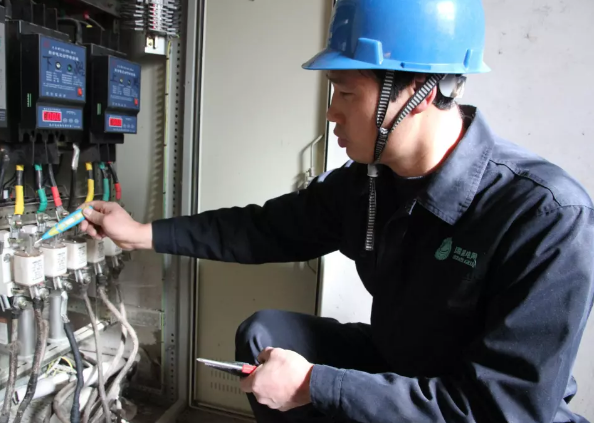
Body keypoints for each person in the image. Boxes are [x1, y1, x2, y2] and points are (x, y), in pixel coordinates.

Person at [79, 0, 594, 421]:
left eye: (346, 93)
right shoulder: (369, 184)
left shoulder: (544, 215)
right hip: (399, 363)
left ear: (418, 93)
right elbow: (263, 229)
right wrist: (142, 232)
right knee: (264, 336)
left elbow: (502, 409)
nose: (332, 113)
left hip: (475, 404)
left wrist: (316, 385)